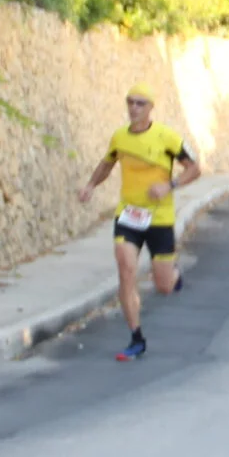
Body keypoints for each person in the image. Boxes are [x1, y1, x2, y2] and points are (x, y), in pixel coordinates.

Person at [76, 90, 201, 361]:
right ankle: (136, 337)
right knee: (125, 268)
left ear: (151, 107)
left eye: (140, 104)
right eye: (130, 103)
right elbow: (106, 164)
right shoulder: (120, 137)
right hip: (129, 215)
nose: (134, 108)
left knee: (164, 286)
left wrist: (170, 185)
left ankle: (174, 277)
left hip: (159, 218)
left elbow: (194, 168)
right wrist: (90, 185)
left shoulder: (168, 137)